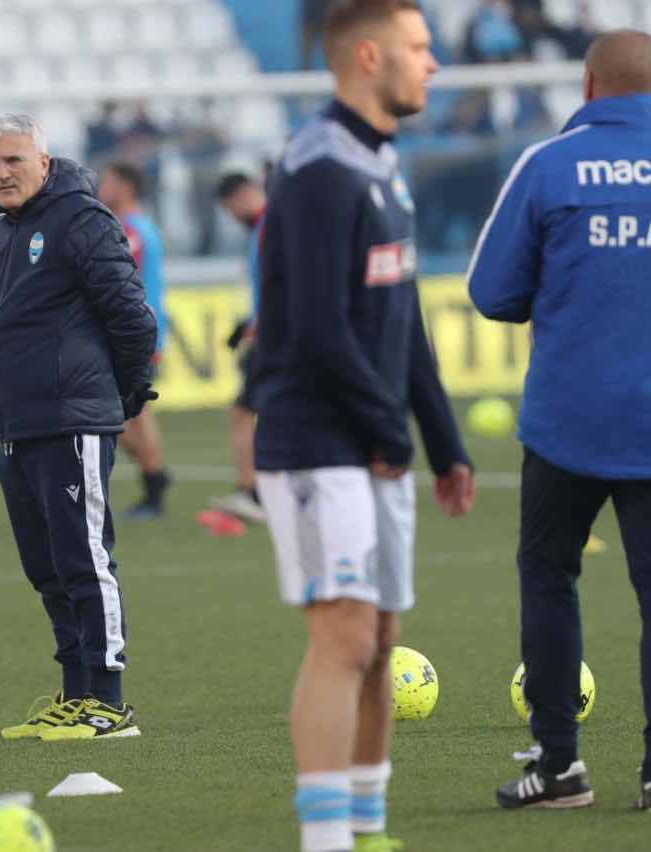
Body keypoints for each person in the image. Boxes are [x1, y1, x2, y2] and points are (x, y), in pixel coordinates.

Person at [252, 3, 474, 850]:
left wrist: (443, 440)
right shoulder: (318, 166)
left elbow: (400, 314)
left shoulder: (381, 161)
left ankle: (368, 827)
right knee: (345, 636)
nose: (433, 63)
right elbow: (315, 327)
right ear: (369, 56)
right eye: (419, 47)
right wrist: (390, 430)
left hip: (371, 440)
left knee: (380, 639)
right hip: (316, 441)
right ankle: (326, 840)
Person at [468, 28, 651, 811]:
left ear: (588, 84)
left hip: (568, 420)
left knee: (549, 579)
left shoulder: (547, 165)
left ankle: (560, 765)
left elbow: (491, 292)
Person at [0, 113, 157, 742]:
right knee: (46, 567)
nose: (2, 173)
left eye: (14, 160)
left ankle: (109, 704)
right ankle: (75, 693)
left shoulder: (82, 220)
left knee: (85, 559)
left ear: (44, 162)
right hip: (19, 425)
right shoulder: (1, 232)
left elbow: (132, 316)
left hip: (70, 419)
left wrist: (124, 392)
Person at [97, 160, 171, 521]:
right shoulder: (140, 227)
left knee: (128, 416)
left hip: (135, 333)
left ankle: (155, 482)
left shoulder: (130, 231)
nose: (102, 187)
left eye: (108, 181)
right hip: (141, 331)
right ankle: (154, 477)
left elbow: (120, 283)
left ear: (125, 186)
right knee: (130, 415)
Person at [209, 172, 267, 524]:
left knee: (244, 411)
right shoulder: (264, 229)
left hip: (272, 338)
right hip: (267, 333)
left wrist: (256, 325)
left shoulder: (267, 229)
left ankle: (253, 492)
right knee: (252, 410)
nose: (232, 217)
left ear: (243, 196)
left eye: (230, 209)